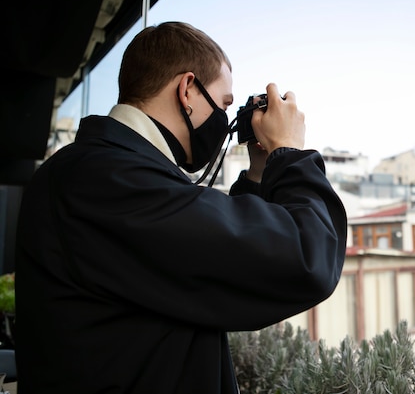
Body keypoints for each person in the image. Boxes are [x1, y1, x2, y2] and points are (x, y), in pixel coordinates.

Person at [15, 21, 347, 393]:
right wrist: (291, 151)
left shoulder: (108, 173)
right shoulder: (108, 179)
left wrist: (259, 170)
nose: (225, 123)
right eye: (223, 105)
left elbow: (212, 261)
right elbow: (307, 258)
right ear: (187, 90)